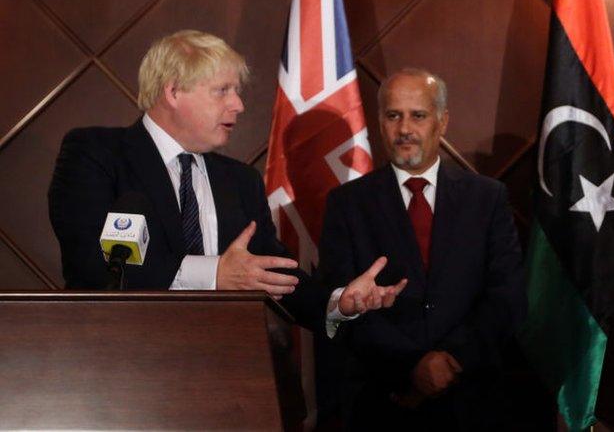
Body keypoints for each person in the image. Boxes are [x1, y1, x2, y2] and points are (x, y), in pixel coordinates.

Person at [48, 29, 406, 330]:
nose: (239, 105)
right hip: (123, 373)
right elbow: (93, 264)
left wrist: (338, 303)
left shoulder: (239, 181)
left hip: (226, 377)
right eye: (223, 91)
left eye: (237, 92)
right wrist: (214, 274)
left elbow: (271, 272)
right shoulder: (96, 154)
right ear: (173, 92)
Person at [320, 69, 526, 430]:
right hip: (381, 403)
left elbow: (506, 297)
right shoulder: (347, 204)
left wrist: (449, 361)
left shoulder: (487, 198)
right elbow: (340, 303)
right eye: (393, 115)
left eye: (418, 115)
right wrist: (411, 367)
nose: (404, 129)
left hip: (473, 400)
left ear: (442, 122)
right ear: (379, 121)